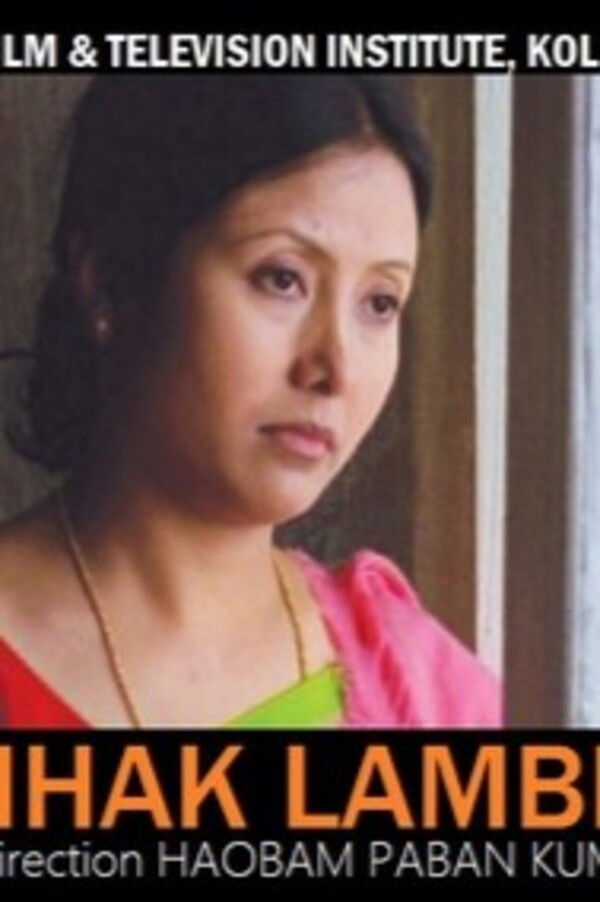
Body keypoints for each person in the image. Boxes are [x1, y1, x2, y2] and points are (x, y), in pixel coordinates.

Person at [0, 75, 501, 728]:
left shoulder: (412, 686)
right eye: (282, 279)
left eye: (380, 303)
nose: (336, 367)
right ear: (110, 284)